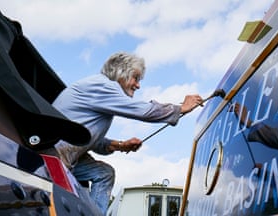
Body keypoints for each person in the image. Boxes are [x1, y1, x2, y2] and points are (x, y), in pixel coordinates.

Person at [52, 51, 203, 215]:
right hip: (53, 153)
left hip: (66, 155)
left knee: (103, 173)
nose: (138, 85)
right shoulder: (103, 86)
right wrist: (181, 108)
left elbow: (92, 140)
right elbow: (143, 111)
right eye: (136, 78)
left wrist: (120, 145)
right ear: (120, 72)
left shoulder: (101, 94)